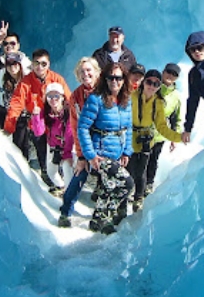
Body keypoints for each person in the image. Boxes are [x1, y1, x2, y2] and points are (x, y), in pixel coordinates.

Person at [77, 62, 134, 234]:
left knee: (109, 186)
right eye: (111, 77)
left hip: (117, 151)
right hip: (100, 154)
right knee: (126, 183)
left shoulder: (125, 100)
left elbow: (128, 128)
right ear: (105, 79)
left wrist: (126, 151)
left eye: (118, 78)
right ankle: (105, 218)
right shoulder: (96, 99)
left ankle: (96, 221)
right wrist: (90, 155)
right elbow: (82, 127)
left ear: (124, 80)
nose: (114, 81)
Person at [5, 49, 71, 179]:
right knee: (42, 150)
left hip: (56, 123)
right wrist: (9, 126)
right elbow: (16, 103)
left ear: (49, 64)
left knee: (59, 153)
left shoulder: (57, 79)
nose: (39, 67)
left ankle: (62, 176)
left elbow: (69, 99)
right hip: (37, 124)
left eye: (43, 64)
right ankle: (46, 174)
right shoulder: (26, 82)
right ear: (32, 64)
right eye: (36, 63)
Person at [128, 69, 183, 212]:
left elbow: (161, 127)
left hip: (146, 140)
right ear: (143, 82)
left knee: (141, 172)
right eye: (149, 82)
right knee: (129, 170)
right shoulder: (131, 97)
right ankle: (122, 202)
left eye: (156, 84)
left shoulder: (158, 103)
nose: (151, 86)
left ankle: (138, 199)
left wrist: (178, 137)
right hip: (129, 139)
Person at [57, 57, 101, 228]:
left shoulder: (107, 92)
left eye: (89, 70)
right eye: (82, 71)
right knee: (80, 173)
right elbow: (75, 127)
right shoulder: (76, 96)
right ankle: (65, 212)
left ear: (97, 72)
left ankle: (101, 216)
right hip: (86, 141)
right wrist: (81, 155)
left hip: (105, 142)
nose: (86, 74)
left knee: (107, 179)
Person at [145, 63, 182, 196]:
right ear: (163, 71)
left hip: (160, 133)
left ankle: (148, 185)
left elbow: (176, 118)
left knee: (153, 159)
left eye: (174, 74)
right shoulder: (152, 85)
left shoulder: (176, 96)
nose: (170, 76)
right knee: (140, 159)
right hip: (144, 130)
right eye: (169, 72)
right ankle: (138, 185)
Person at [30, 83, 74, 196]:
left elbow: (70, 135)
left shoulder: (69, 113)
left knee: (67, 169)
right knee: (51, 171)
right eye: (50, 96)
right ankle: (61, 186)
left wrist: (67, 154)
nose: (53, 99)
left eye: (56, 96)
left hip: (68, 147)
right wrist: (35, 116)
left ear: (62, 97)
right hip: (54, 146)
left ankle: (69, 195)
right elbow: (38, 132)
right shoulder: (45, 112)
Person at [0, 21, 31, 128]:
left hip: (21, 112)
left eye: (12, 43)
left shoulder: (27, 65)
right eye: (6, 44)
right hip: (1, 110)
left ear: (18, 45)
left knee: (20, 144)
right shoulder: (0, 63)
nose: (9, 46)